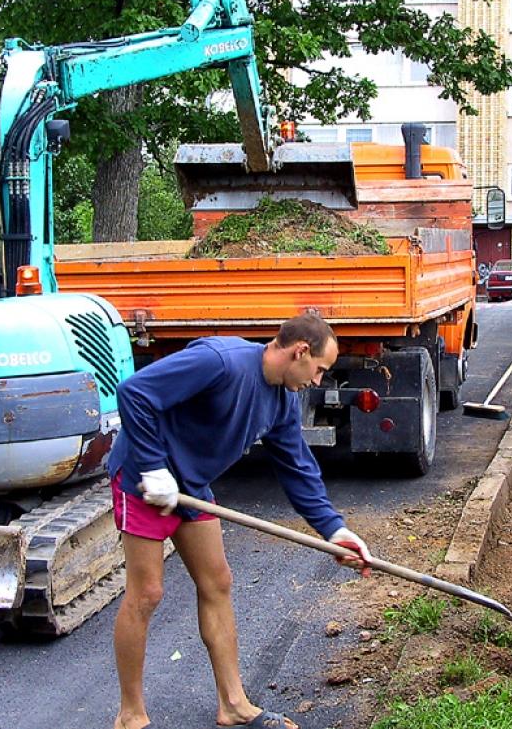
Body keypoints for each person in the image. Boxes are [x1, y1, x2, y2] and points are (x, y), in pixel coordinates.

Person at [108, 312, 371, 729]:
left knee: (218, 581)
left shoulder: (282, 402)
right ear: (300, 351)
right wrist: (154, 467)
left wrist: (335, 530)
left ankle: (232, 703)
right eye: (319, 370)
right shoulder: (220, 361)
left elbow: (299, 470)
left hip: (190, 486)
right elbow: (135, 393)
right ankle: (130, 715)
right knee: (148, 593)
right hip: (144, 479)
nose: (318, 381)